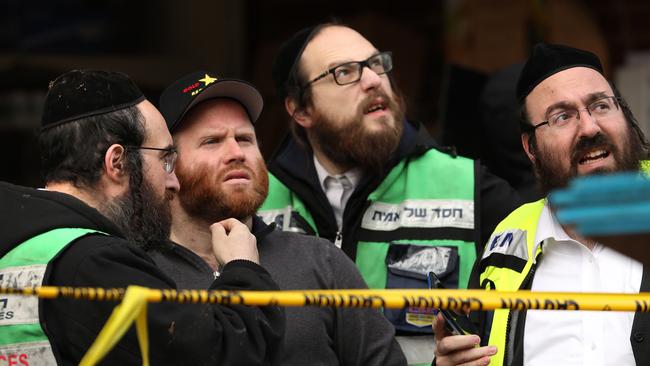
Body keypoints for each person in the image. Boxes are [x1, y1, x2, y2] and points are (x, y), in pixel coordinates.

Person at [258, 23, 522, 364]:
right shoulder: (256, 200)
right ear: (301, 110)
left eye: (377, 64)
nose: (373, 80)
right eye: (345, 72)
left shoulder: (466, 184)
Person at [0, 70, 284, 365]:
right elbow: (221, 352)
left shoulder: (18, 246)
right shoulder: (94, 263)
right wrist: (244, 271)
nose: (174, 182)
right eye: (165, 160)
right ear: (117, 162)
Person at [154, 70, 407, 366]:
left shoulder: (321, 262)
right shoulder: (141, 270)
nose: (236, 153)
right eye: (212, 141)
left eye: (246, 138)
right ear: (167, 164)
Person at [434, 43, 650, 366]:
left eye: (601, 106)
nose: (590, 127)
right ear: (530, 147)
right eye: (562, 117)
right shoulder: (504, 247)